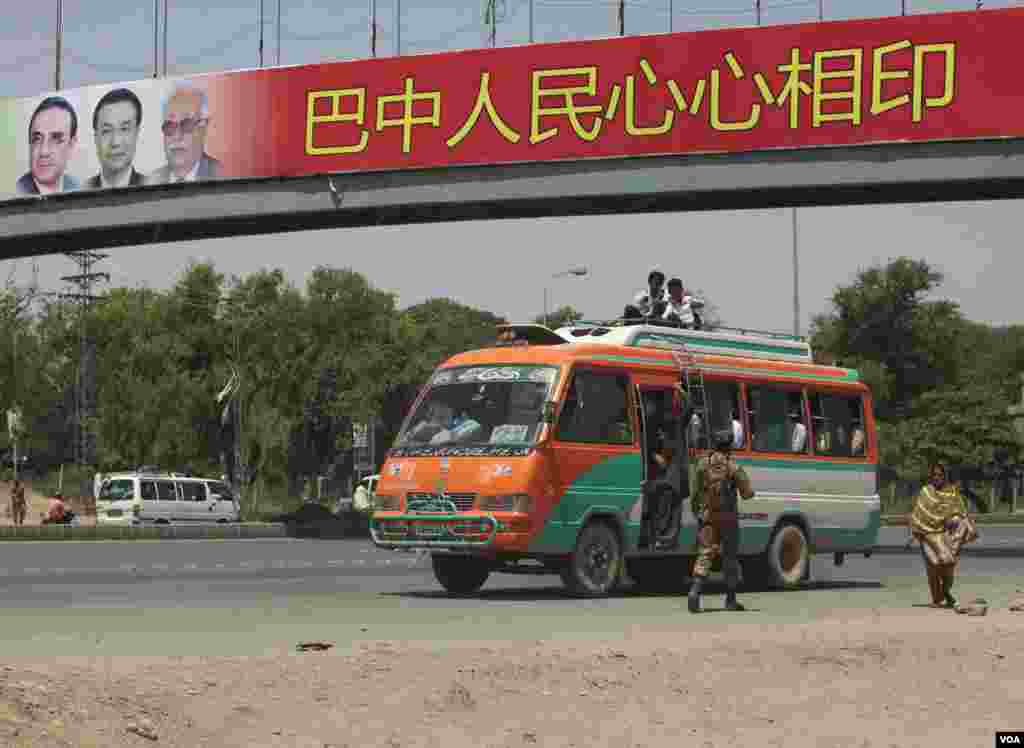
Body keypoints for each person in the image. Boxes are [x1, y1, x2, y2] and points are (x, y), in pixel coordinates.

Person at [689, 427, 756, 613]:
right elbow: (747, 493)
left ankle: (694, 592)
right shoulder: (733, 467)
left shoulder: (703, 464)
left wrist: (698, 512)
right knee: (730, 558)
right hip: (728, 519)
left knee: (705, 553)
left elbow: (695, 493)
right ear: (730, 446)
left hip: (708, 516)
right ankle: (730, 600)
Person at [907, 462, 978, 609]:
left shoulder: (952, 493)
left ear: (945, 476)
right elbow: (919, 514)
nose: (937, 477)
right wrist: (916, 532)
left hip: (944, 536)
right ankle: (938, 599)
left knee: (947, 563)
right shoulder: (926, 491)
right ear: (930, 476)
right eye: (934, 475)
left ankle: (946, 593)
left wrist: (960, 524)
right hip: (926, 534)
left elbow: (960, 514)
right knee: (933, 565)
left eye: (940, 475)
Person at [147, 80, 222, 184]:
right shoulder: (151, 180)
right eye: (169, 126)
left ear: (203, 127)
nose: (177, 136)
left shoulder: (224, 174)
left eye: (187, 124)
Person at [16, 96, 81, 195]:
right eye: (37, 139)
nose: (44, 151)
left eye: (56, 139)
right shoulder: (16, 192)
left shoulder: (78, 188)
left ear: (71, 145)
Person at [87, 88, 146, 189]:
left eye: (124, 129)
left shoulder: (152, 186)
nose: (115, 142)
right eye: (107, 131)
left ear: (136, 133)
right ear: (96, 138)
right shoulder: (81, 189)